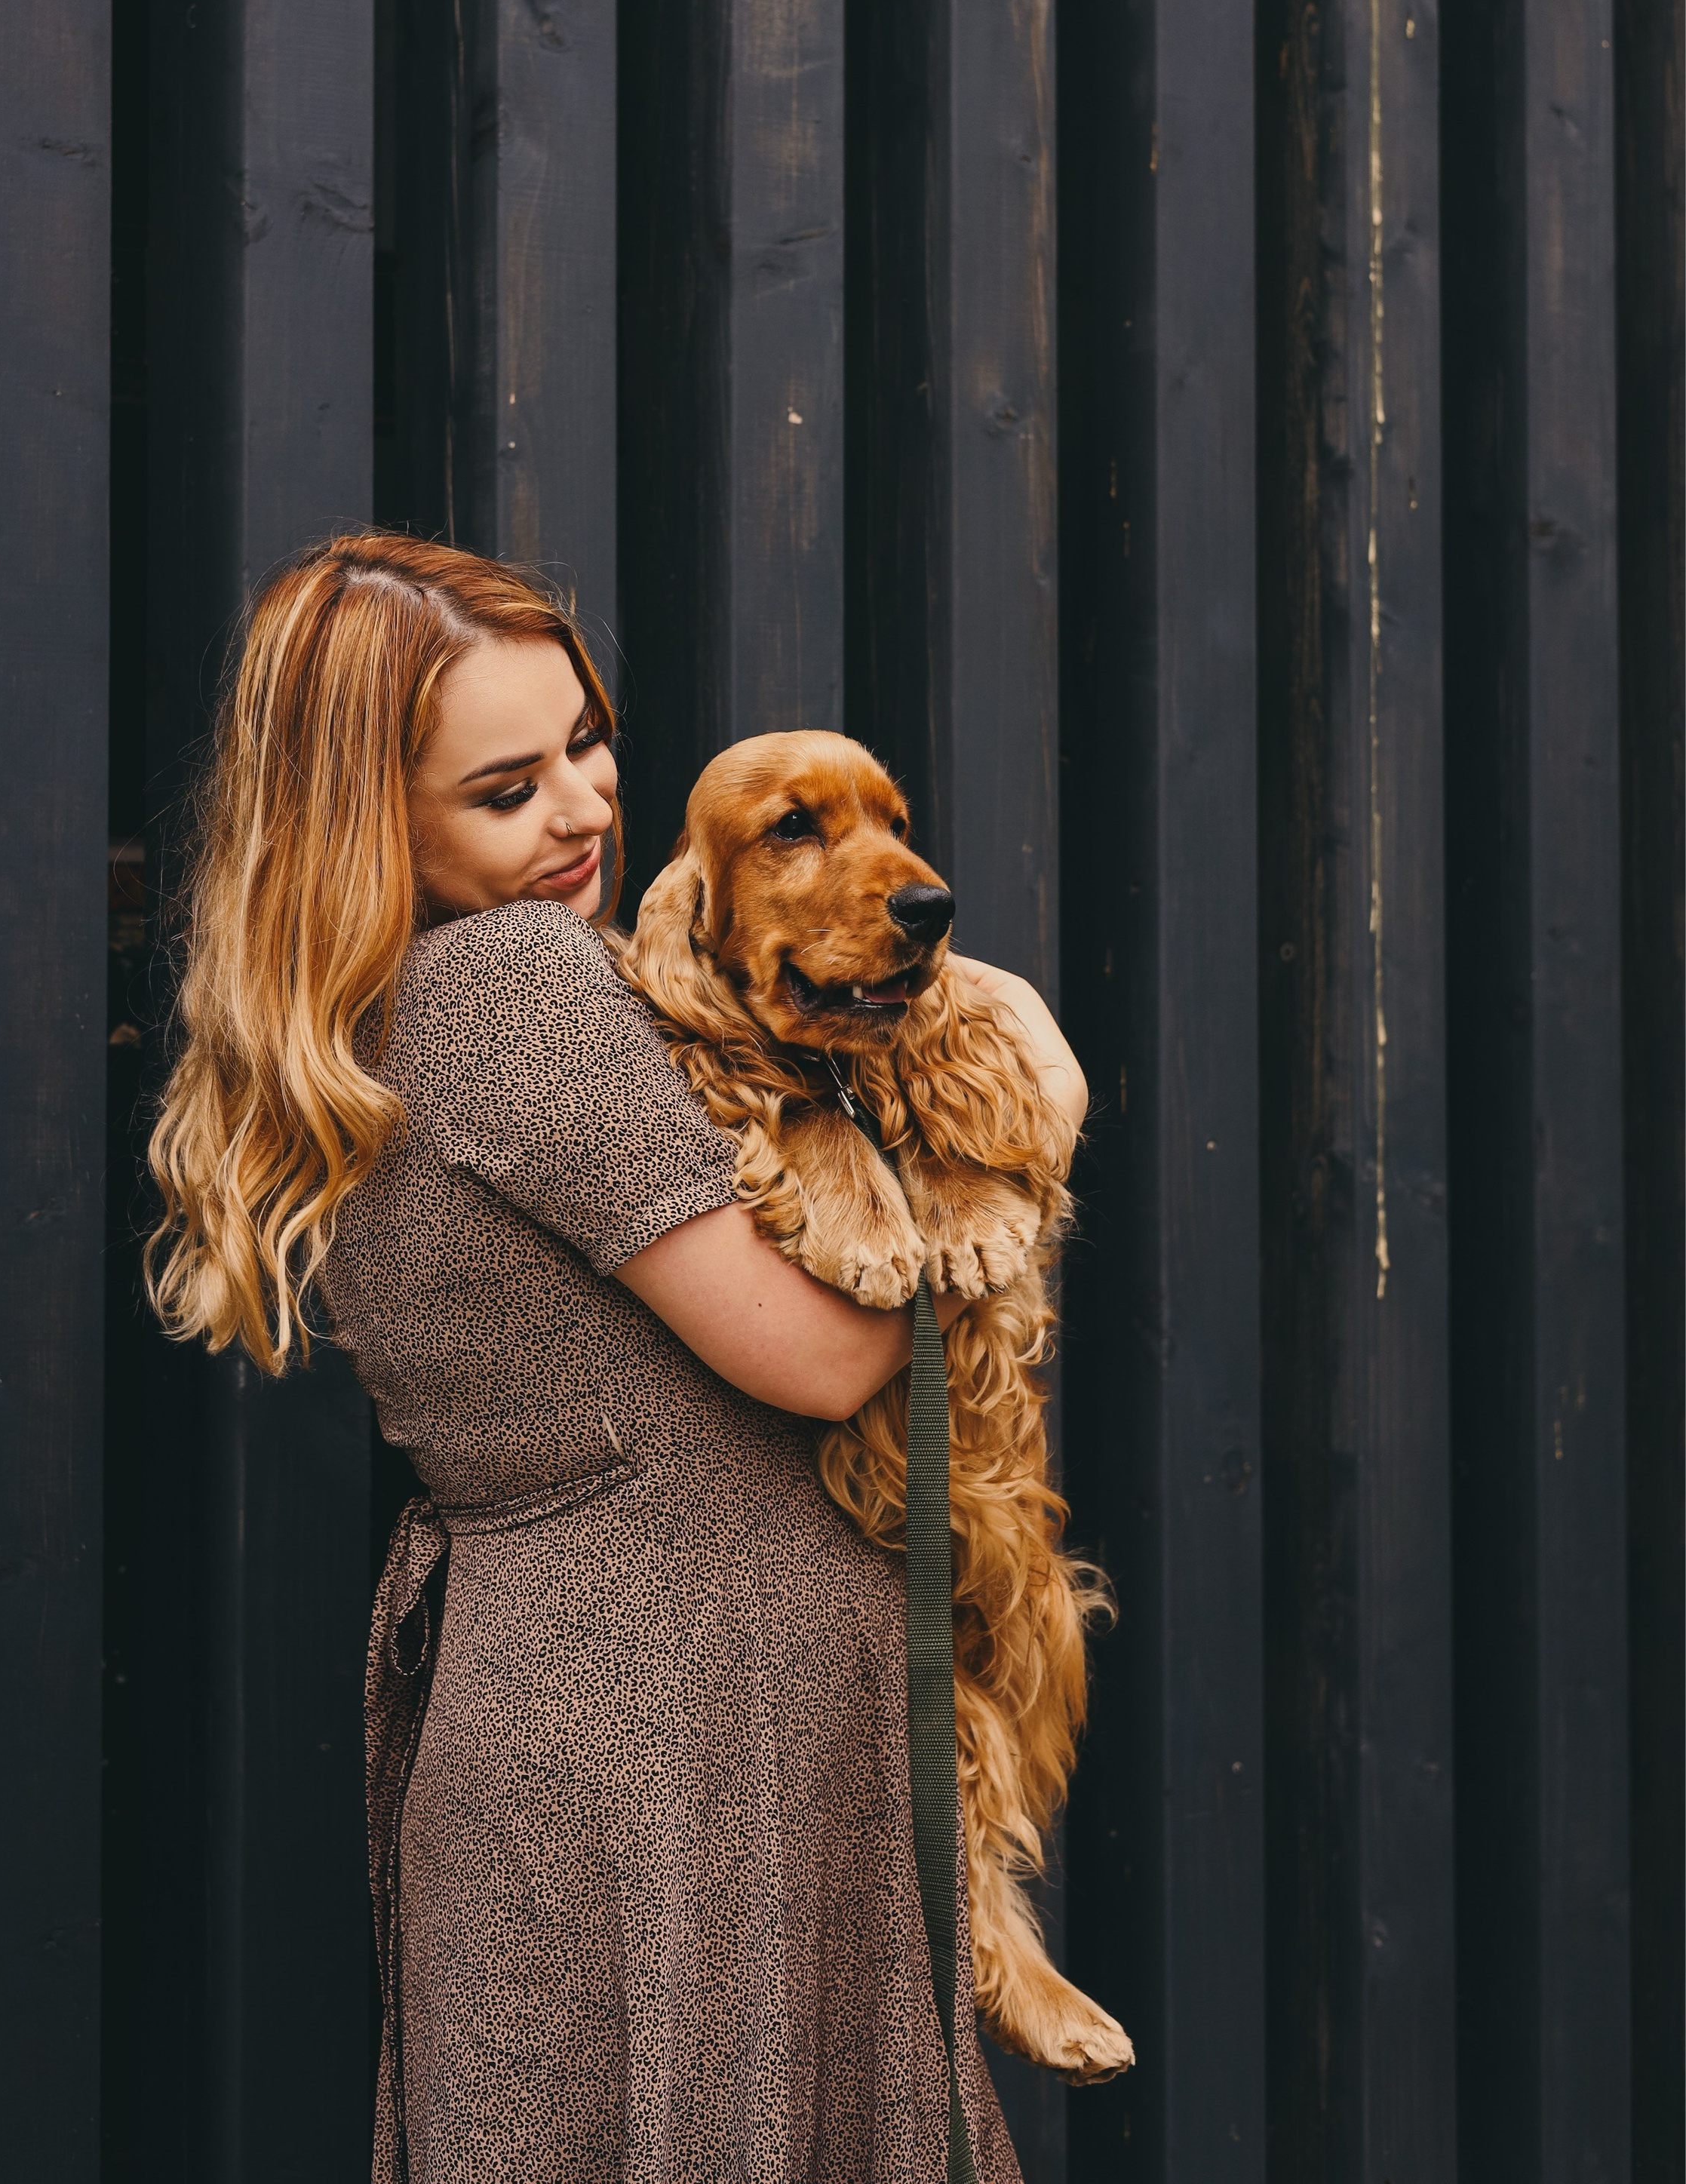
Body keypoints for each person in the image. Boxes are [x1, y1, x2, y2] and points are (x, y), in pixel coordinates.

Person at [146, 530, 1088, 2184]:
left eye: (585, 745)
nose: (582, 811)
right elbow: (817, 1351)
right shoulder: (513, 983)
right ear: (373, 825)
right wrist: (1010, 1127)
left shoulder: (373, 1020)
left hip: (584, 1715)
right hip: (687, 1726)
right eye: (505, 791)